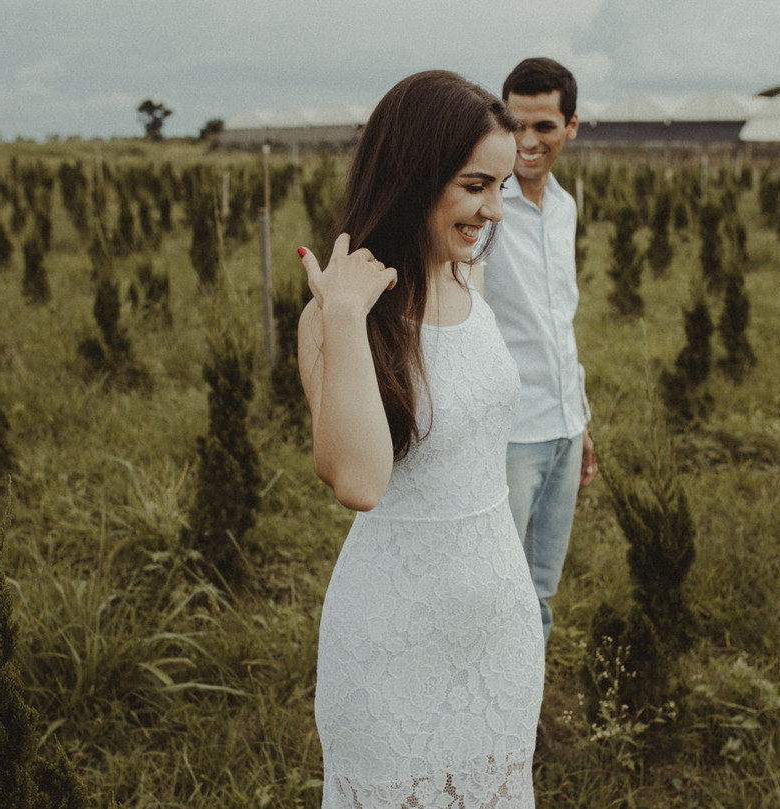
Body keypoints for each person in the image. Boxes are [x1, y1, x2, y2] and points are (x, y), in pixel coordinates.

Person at [297, 70, 544, 808]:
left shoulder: (467, 278)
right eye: (475, 186)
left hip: (498, 619)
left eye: (500, 187)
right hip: (393, 638)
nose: (493, 210)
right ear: (416, 175)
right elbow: (361, 482)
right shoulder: (340, 317)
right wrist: (342, 317)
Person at [481, 57, 597, 647]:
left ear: (571, 126)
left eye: (544, 126)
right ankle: (482, 732)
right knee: (493, 588)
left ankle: (525, 728)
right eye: (515, 123)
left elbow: (559, 323)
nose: (527, 141)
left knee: (541, 592)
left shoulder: (567, 208)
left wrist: (580, 420)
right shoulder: (483, 209)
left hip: (564, 427)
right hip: (508, 434)